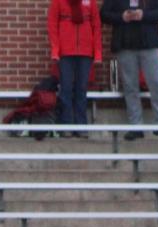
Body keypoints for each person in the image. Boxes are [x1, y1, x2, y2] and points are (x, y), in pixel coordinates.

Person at [101, 0, 158, 141]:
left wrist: (143, 15)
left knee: (156, 83)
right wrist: (121, 17)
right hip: (125, 44)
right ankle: (136, 126)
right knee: (130, 87)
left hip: (149, 43)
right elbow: (103, 14)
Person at [48, 0, 101, 135]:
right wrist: (55, 50)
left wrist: (97, 53)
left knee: (81, 90)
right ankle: (66, 126)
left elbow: (96, 26)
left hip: (85, 52)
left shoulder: (91, 2)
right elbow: (52, 25)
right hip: (65, 52)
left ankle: (81, 127)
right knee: (65, 89)